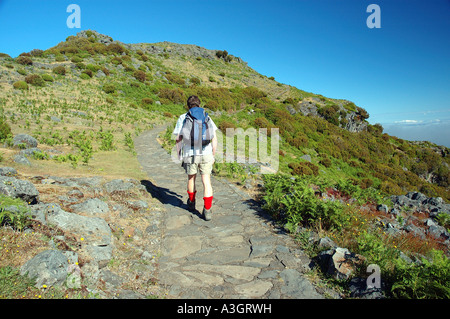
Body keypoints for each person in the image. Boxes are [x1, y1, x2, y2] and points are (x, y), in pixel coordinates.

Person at [172, 95, 218, 221]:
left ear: (188, 105)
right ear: (199, 104)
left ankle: (191, 203)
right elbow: (214, 138)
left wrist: (179, 153)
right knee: (206, 181)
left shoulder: (183, 117)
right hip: (206, 152)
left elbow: (178, 139)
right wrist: (213, 154)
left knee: (191, 178)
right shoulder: (206, 116)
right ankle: (207, 210)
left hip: (190, 153)